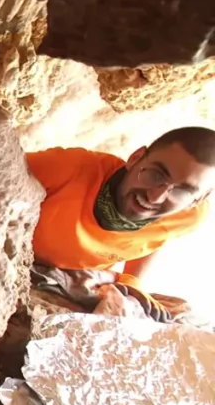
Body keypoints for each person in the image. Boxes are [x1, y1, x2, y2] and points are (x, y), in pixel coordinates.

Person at [27, 127, 215, 321]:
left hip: (81, 276)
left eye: (182, 191)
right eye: (156, 175)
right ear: (135, 157)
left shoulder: (188, 216)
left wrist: (132, 281)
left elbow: (156, 237)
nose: (155, 197)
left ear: (199, 198)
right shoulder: (67, 168)